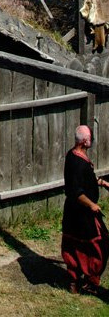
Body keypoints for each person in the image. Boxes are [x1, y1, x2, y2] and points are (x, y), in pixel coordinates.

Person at [63, 124, 109, 293]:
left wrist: (101, 182)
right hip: (82, 213)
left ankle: (76, 280)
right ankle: (88, 281)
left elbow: (83, 181)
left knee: (75, 243)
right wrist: (92, 205)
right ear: (84, 141)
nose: (92, 140)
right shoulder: (77, 162)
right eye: (89, 138)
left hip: (75, 212)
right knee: (98, 245)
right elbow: (75, 191)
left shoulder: (74, 155)